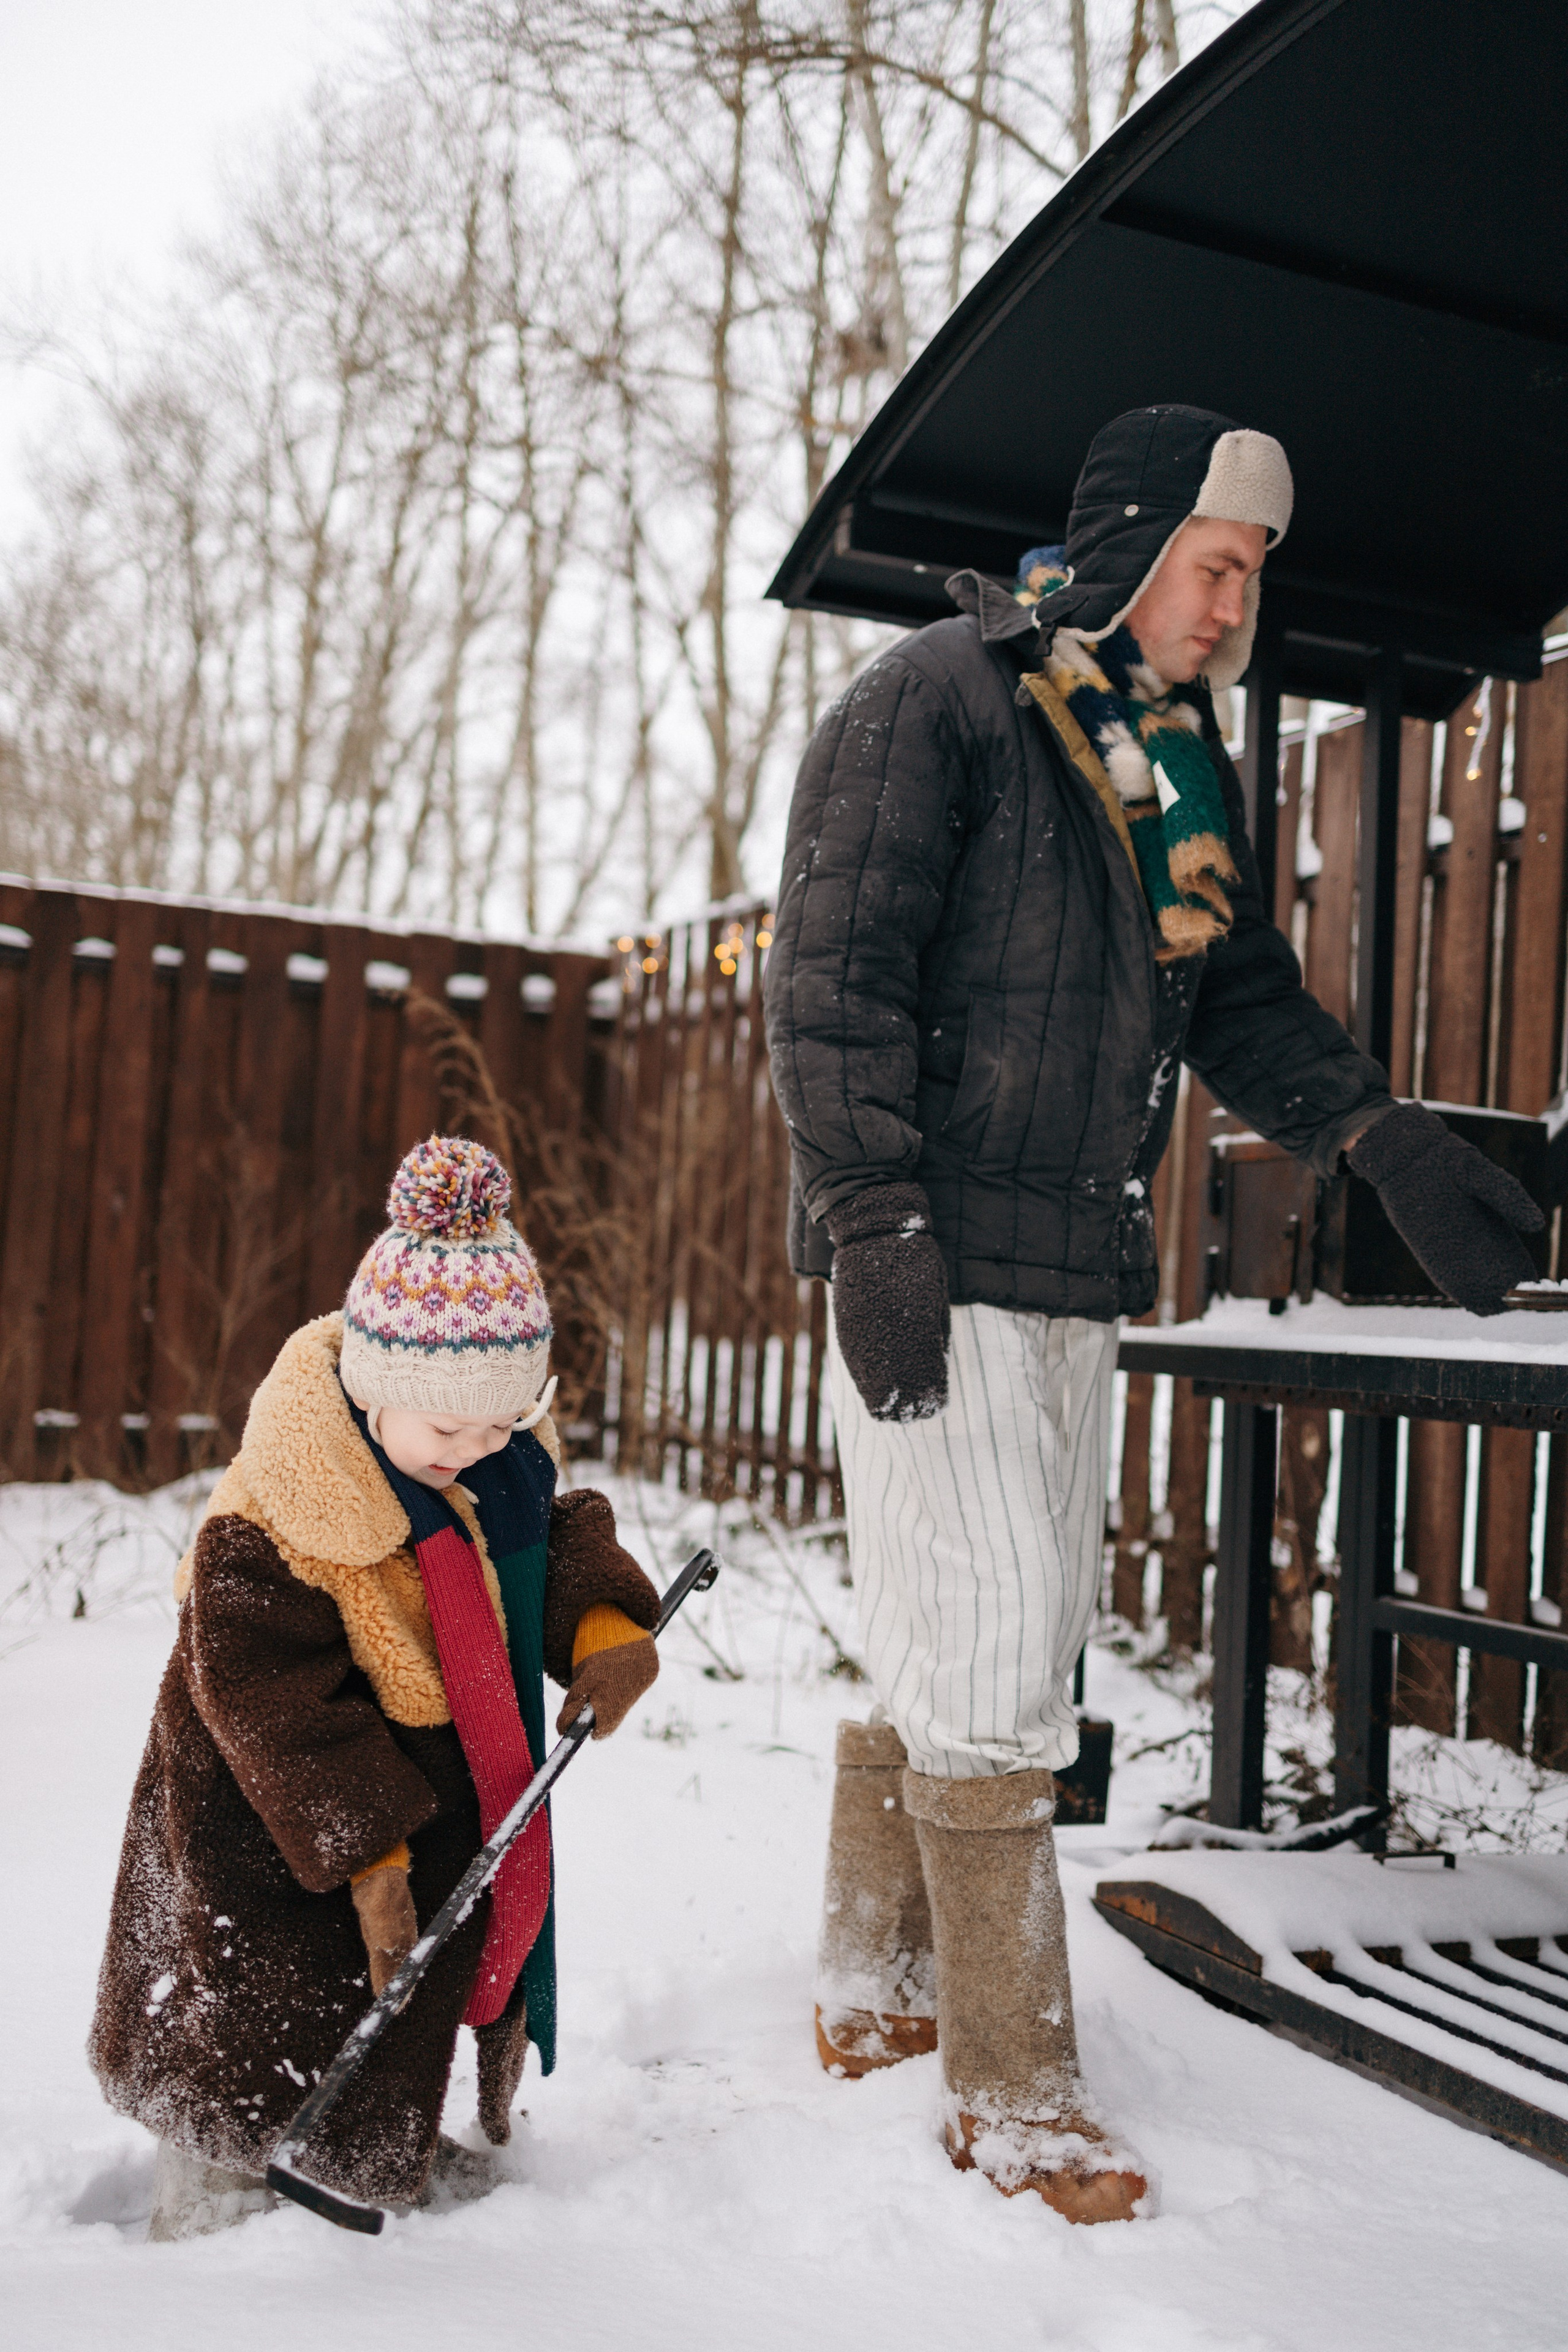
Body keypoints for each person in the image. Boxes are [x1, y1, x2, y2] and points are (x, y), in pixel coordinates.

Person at [763, 404, 1542, 2223]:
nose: (1230, 607)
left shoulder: (1171, 768)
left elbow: (1240, 996)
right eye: (1215, 563)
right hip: (934, 1248)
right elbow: (833, 972)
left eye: (1252, 575)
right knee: (992, 1638)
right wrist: (870, 1211)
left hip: (1073, 1256)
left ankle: (874, 1983)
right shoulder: (943, 701)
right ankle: (1015, 2092)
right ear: (1127, 545)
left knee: (981, 1638)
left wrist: (1385, 1138)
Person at [90, 1134, 665, 2239]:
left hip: (407, 1814)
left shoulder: (484, 1469)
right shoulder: (274, 1527)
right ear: (373, 1385)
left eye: (503, 1422)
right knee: (252, 2011)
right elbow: (274, 1705)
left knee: (391, 1993)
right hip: (264, 1825)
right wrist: (370, 1846)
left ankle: (371, 2140)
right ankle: (212, 2192)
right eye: (451, 1425)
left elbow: (543, 1546)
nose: (479, 1447)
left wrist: (600, 1626)